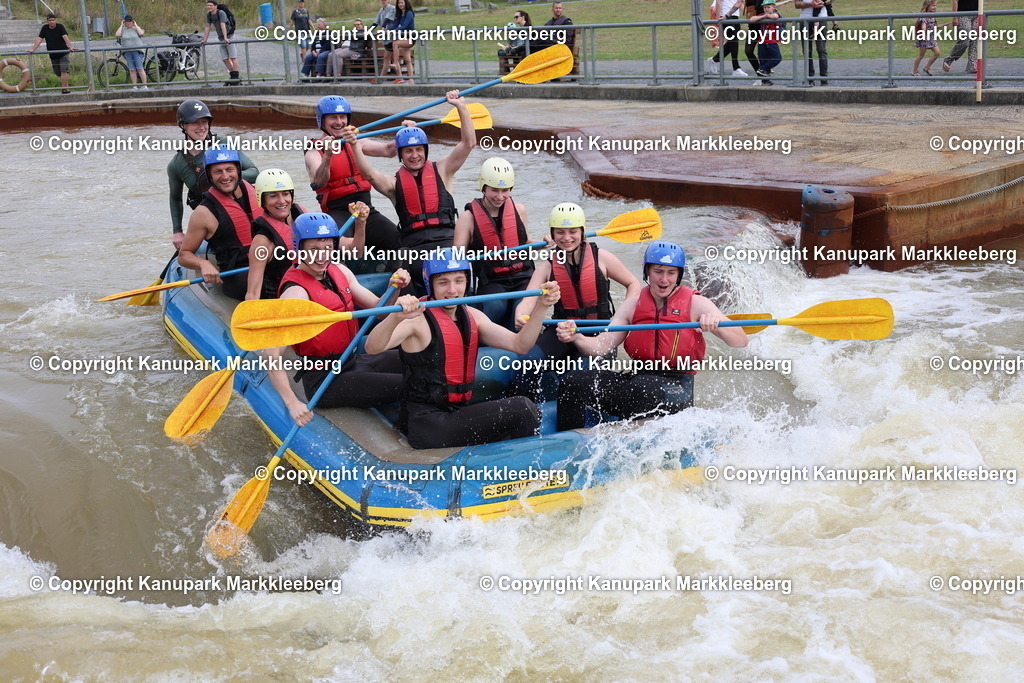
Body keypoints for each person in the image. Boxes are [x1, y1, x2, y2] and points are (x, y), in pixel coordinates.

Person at [364, 249, 561, 449]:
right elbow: (372, 347)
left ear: (468, 282)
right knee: (521, 409)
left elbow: (521, 345)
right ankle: (521, 473)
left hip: (455, 412)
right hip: (427, 424)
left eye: (459, 280)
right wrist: (395, 317)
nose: (452, 290)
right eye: (443, 282)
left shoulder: (472, 316)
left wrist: (541, 307)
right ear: (429, 284)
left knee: (520, 411)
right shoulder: (416, 320)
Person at [555, 241, 748, 431]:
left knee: (642, 388)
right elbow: (601, 347)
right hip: (638, 379)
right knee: (574, 381)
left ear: (679, 275)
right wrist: (577, 337)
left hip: (676, 386)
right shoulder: (632, 306)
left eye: (671, 273)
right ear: (647, 271)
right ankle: (567, 442)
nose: (664, 279)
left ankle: (626, 434)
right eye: (658, 271)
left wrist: (717, 325)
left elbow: (740, 341)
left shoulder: (697, 303)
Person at [265, 214, 411, 425]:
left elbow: (380, 311)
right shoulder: (296, 294)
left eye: (327, 248)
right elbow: (270, 355)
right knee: (410, 385)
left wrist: (393, 287)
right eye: (314, 250)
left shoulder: (340, 270)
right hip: (325, 380)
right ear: (299, 248)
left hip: (351, 360)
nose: (322, 256)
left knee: (415, 359)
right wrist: (292, 403)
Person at [343, 90, 476, 291]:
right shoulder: (393, 184)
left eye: (418, 150)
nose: (414, 155)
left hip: (447, 243)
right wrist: (354, 145)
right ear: (400, 155)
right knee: (399, 273)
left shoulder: (443, 169)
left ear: (425, 151)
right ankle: (411, 312)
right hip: (413, 250)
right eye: (408, 151)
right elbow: (369, 174)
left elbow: (468, 144)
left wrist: (461, 107)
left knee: (457, 268)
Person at [511, 203, 640, 400]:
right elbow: (528, 300)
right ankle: (528, 408)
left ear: (582, 232)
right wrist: (521, 315)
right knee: (526, 363)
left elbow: (633, 283)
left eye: (573, 231)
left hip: (599, 331)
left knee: (579, 376)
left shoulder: (602, 258)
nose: (567, 237)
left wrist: (622, 318)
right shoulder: (546, 267)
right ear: (553, 235)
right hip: (561, 330)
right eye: (560, 232)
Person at [304, 95, 404, 267]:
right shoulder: (314, 150)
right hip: (337, 211)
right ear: (322, 120)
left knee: (395, 237)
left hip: (366, 209)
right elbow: (319, 181)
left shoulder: (355, 141)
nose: (339, 122)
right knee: (337, 246)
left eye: (342, 117)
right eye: (333, 117)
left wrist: (402, 135)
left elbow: (388, 150)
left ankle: (398, 283)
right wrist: (328, 155)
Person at [245, 169, 370, 301]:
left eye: (285, 194)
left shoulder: (303, 217)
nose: (282, 201)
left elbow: (354, 251)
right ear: (261, 199)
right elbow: (253, 294)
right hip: (291, 298)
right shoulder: (262, 241)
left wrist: (360, 223)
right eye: (273, 196)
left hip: (319, 286)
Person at [453, 158, 539, 328]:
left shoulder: (519, 210)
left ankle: (524, 342)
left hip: (523, 277)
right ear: (483, 187)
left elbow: (526, 241)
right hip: (492, 280)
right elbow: (457, 258)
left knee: (522, 309)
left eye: (505, 190)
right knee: (495, 307)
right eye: (494, 190)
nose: (500, 197)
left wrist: (544, 243)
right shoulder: (467, 219)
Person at [166, 99, 259, 250]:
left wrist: (224, 179)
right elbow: (175, 198)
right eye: (195, 122)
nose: (202, 127)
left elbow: (254, 172)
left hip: (240, 210)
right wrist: (177, 231)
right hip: (211, 220)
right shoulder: (176, 164)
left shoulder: (224, 144)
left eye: (205, 122)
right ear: (183, 125)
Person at [178, 147, 263, 300]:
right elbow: (184, 255)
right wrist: (203, 263)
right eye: (218, 171)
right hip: (238, 274)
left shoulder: (258, 193)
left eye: (229, 169)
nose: (225, 176)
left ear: (238, 170)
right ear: (209, 175)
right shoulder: (203, 213)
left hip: (268, 263)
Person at [27, 13, 77, 94]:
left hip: (63, 53)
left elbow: (65, 37)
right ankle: (66, 86)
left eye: (53, 20)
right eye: (50, 20)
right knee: (58, 73)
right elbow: (39, 39)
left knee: (64, 71)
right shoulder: (45, 28)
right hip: (53, 54)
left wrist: (70, 46)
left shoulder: (60, 27)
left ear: (55, 20)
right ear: (47, 21)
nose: (51, 22)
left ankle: (65, 89)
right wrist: (33, 49)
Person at [201, 1, 240, 86]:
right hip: (221, 38)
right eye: (207, 5)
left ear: (215, 6)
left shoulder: (221, 13)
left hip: (229, 36)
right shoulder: (209, 15)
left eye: (210, 5)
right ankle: (232, 76)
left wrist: (226, 38)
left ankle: (236, 77)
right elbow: (208, 26)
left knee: (233, 56)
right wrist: (205, 39)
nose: (208, 7)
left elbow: (223, 25)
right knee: (225, 58)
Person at [705, 0, 746, 76]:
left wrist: (746, 12)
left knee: (732, 43)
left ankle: (714, 60)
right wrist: (717, 20)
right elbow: (718, 2)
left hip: (735, 16)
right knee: (733, 41)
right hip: (725, 16)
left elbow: (739, 3)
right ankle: (736, 68)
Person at [913, 0, 953, 76]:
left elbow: (934, 26)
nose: (935, 7)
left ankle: (927, 68)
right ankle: (914, 71)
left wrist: (944, 25)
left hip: (931, 39)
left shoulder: (932, 17)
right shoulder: (924, 17)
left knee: (937, 53)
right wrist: (923, 33)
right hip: (924, 39)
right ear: (927, 7)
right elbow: (923, 26)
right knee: (921, 56)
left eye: (935, 6)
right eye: (933, 6)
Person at [795, 0, 828, 85]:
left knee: (821, 50)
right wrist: (809, 4)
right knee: (806, 50)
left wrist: (824, 2)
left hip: (821, 18)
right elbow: (797, 4)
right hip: (805, 20)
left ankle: (824, 79)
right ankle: (809, 78)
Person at [383, 0, 416, 84]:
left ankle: (395, 63)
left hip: (410, 37)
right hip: (404, 37)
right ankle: (411, 80)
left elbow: (404, 26)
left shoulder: (409, 13)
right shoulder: (399, 14)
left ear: (406, 3)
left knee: (395, 43)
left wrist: (393, 31)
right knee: (407, 59)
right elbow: (395, 25)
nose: (400, 5)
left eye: (402, 3)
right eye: (399, 3)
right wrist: (386, 30)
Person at [943, 0, 979, 74]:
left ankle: (971, 65)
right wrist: (955, 17)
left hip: (975, 14)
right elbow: (955, 1)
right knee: (965, 40)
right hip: (963, 14)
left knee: (974, 40)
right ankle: (949, 59)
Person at [752, 0, 783, 86]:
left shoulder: (776, 14)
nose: (766, 9)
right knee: (763, 60)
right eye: (764, 7)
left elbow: (775, 16)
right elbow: (752, 19)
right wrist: (763, 17)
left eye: (768, 7)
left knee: (777, 58)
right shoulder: (762, 15)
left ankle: (762, 69)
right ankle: (765, 80)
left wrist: (767, 16)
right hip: (762, 41)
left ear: (774, 7)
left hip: (771, 41)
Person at [115, 16, 149, 90]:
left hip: (137, 51)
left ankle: (145, 85)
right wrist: (121, 25)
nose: (128, 23)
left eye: (130, 21)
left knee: (139, 68)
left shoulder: (135, 29)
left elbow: (141, 33)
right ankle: (134, 86)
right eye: (127, 21)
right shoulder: (123, 30)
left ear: (132, 22)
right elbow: (117, 34)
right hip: (127, 51)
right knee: (132, 69)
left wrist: (135, 25)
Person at [369, 0, 397, 81]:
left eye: (385, 0)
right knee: (387, 58)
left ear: (389, 1)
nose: (383, 1)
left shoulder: (392, 8)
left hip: (392, 37)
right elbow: (376, 22)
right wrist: (368, 31)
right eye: (382, 0)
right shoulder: (381, 10)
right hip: (386, 39)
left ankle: (399, 77)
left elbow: (387, 19)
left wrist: (382, 28)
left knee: (391, 59)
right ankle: (381, 78)